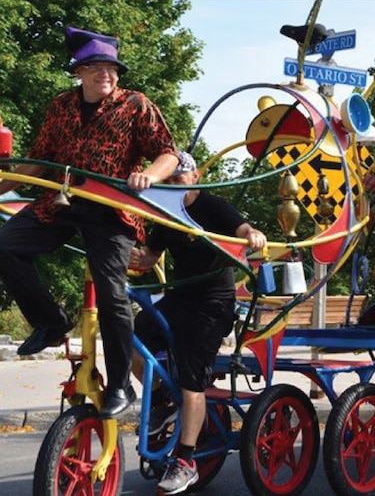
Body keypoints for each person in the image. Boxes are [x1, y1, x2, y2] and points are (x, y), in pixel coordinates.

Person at [0, 27, 179, 418]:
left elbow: (169, 155)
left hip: (110, 210)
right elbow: (37, 160)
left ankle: (119, 386)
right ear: (78, 72)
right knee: (6, 245)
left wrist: (150, 175)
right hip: (61, 201)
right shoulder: (60, 106)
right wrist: (3, 186)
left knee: (111, 293)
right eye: (96, 68)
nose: (106, 75)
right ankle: (51, 322)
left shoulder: (135, 104)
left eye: (111, 68)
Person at [129, 152, 267, 495]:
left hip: (212, 305)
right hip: (179, 298)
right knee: (133, 338)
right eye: (169, 179)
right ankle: (163, 400)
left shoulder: (212, 206)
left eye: (180, 178)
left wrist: (254, 236)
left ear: (196, 176)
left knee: (193, 379)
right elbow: (150, 257)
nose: (174, 184)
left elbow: (243, 228)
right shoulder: (166, 213)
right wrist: (134, 258)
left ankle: (186, 461)